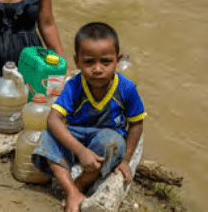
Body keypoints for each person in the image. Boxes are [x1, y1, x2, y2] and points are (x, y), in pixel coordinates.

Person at [32, 22, 145, 212]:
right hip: (77, 134)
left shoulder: (127, 88)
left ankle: (81, 183)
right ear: (77, 61)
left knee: (112, 142)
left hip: (105, 136)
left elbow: (136, 124)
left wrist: (126, 160)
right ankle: (71, 191)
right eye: (89, 62)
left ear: (117, 61)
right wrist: (80, 151)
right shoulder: (74, 85)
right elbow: (53, 119)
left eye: (106, 62)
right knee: (48, 136)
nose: (98, 69)